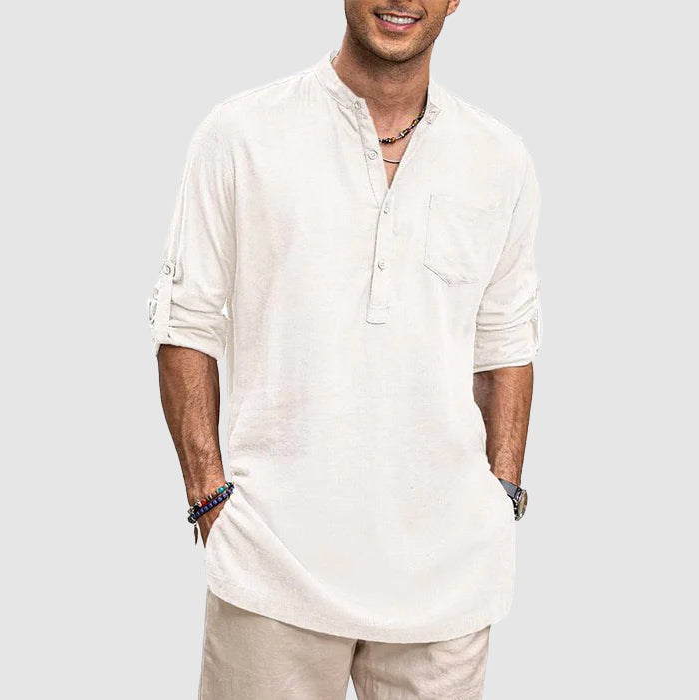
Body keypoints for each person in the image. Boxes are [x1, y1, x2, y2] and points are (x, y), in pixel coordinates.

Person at [148, 1, 542, 697]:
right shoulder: (241, 134)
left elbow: (506, 339)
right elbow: (186, 323)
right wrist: (209, 498)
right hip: (272, 571)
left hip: (448, 585)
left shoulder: (499, 158)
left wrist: (501, 492)